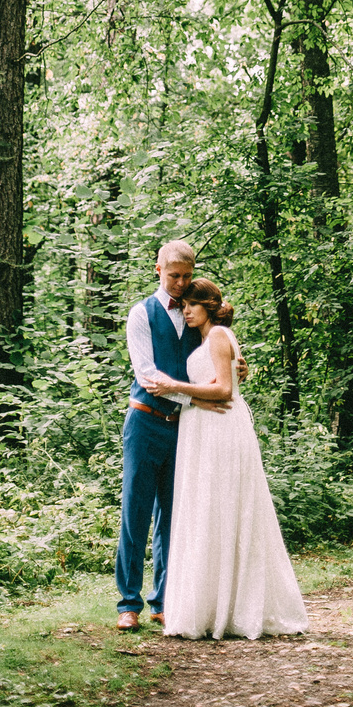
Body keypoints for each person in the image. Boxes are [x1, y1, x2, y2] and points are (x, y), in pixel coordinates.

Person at [144, 277, 308, 640]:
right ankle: (212, 605)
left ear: (208, 306)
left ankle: (231, 608)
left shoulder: (217, 335)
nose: (185, 310)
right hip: (203, 429)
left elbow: (223, 389)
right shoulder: (208, 338)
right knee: (208, 511)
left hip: (219, 428)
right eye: (183, 304)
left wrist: (175, 386)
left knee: (221, 509)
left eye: (191, 304)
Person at [115, 241, 246, 632]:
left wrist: (237, 371)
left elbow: (217, 363)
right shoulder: (141, 313)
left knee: (176, 516)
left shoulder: (196, 314)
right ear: (158, 269)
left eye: (187, 276)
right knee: (135, 513)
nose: (181, 283)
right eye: (174, 276)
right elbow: (147, 375)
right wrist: (193, 398)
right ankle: (128, 604)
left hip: (188, 429)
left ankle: (165, 600)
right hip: (146, 421)